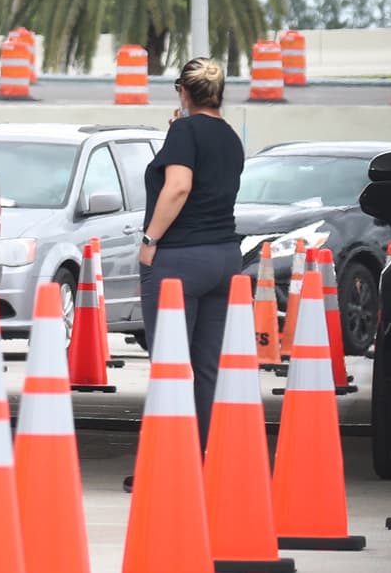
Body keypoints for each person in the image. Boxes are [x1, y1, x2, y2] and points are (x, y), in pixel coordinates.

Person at [126, 57, 244, 491]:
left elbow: (178, 186)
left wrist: (150, 241)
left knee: (170, 365)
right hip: (224, 258)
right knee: (208, 366)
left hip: (180, 259)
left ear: (183, 91)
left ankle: (168, 466)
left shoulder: (184, 132)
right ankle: (208, 462)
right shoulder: (229, 136)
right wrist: (178, 131)